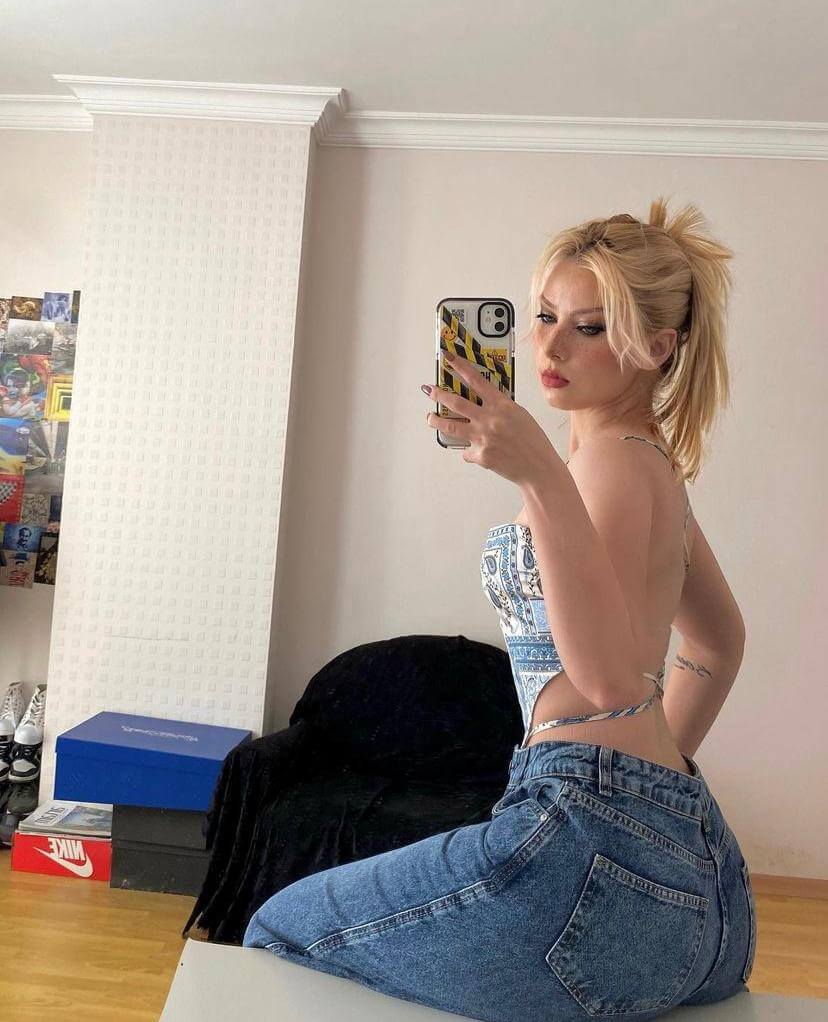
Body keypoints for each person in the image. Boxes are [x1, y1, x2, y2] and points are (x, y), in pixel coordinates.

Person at [242, 197, 755, 1020]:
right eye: (545, 316)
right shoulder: (647, 463)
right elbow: (716, 647)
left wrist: (537, 472)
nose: (549, 347)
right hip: (701, 876)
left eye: (590, 328)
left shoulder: (608, 465)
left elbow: (608, 682)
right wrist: (644, 795)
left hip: (590, 854)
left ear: (656, 348)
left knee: (280, 928)